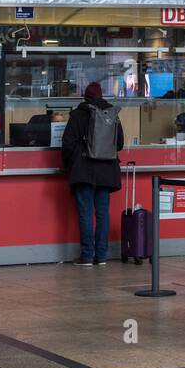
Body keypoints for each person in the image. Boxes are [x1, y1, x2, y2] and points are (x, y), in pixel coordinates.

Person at [61, 81, 124, 266]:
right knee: (103, 214)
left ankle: (87, 256)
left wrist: (70, 164)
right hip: (106, 171)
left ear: (85, 97)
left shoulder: (79, 114)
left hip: (84, 170)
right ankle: (102, 256)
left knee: (86, 214)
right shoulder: (112, 114)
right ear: (102, 95)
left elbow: (67, 144)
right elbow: (119, 144)